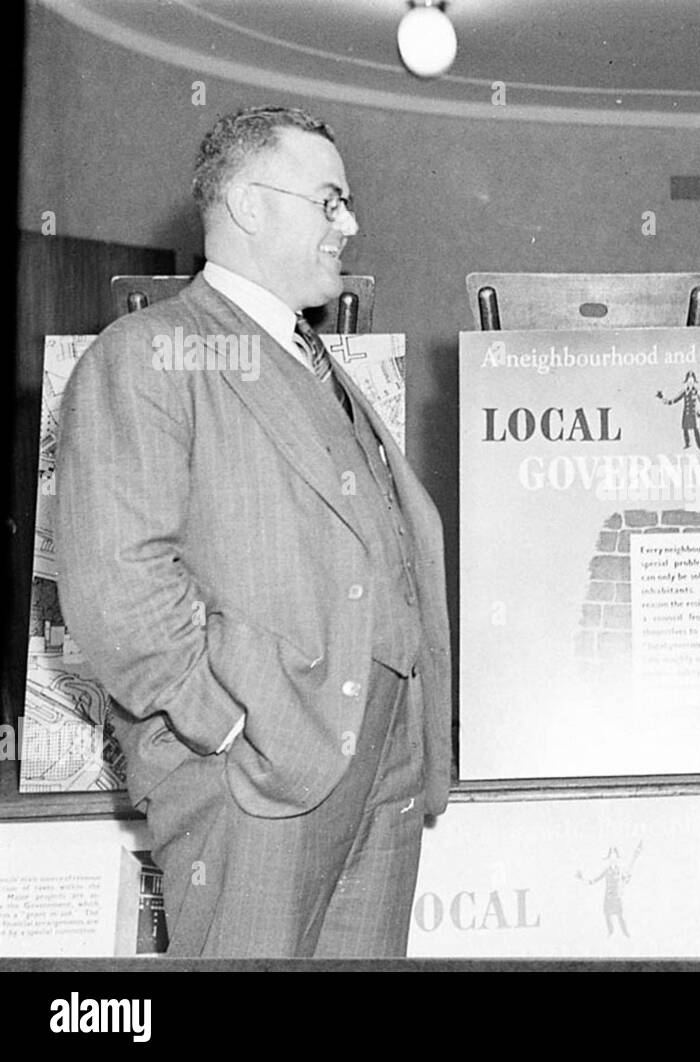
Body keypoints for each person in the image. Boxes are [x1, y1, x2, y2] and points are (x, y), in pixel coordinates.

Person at [55, 105, 452, 957]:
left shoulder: (309, 355)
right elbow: (119, 592)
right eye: (330, 201)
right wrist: (236, 730)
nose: (350, 224)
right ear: (248, 205)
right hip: (257, 780)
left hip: (380, 762)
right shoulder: (147, 353)